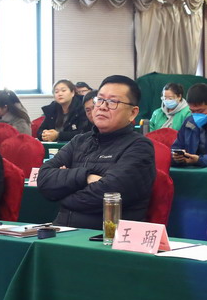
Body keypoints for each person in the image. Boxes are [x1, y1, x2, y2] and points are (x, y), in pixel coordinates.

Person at [37, 75, 156, 229]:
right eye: (99, 100)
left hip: (106, 236)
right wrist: (86, 177)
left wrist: (63, 193)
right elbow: (44, 178)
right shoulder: (79, 141)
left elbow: (109, 194)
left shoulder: (140, 147)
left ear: (133, 113)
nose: (102, 107)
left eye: (113, 102)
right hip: (63, 230)